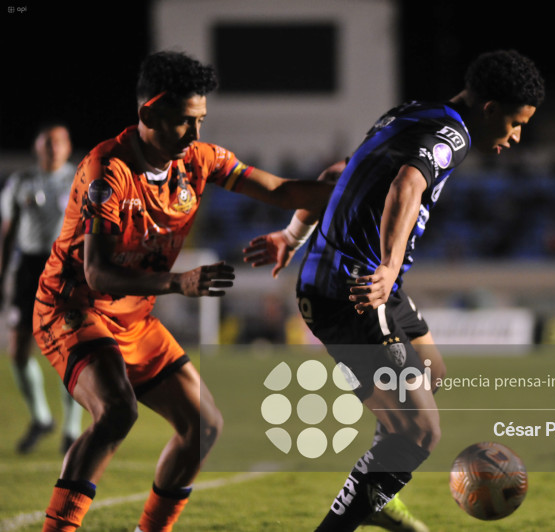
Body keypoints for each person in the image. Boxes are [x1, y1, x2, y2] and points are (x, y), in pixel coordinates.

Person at [244, 49, 545, 532]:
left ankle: (375, 490)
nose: (516, 137)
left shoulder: (412, 113)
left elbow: (337, 176)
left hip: (371, 282)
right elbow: (406, 185)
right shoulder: (452, 135)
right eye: (514, 123)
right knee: (421, 431)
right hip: (354, 289)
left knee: (432, 371)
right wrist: (386, 268)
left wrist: (290, 235)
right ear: (489, 110)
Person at [32, 50, 332, 532]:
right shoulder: (107, 171)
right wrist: (179, 282)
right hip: (71, 308)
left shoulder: (197, 160)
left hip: (132, 316)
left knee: (202, 429)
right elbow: (98, 274)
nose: (195, 135)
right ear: (148, 113)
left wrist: (370, 187)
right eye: (183, 122)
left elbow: (279, 191)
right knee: (116, 412)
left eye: (201, 121)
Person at [0, 123, 84, 455]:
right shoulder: (20, 182)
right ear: (37, 147)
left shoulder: (79, 179)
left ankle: (72, 429)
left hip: (65, 269)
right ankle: (41, 418)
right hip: (28, 270)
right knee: (19, 350)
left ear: (67, 147)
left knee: (71, 349)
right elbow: (8, 234)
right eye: (47, 143)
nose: (52, 148)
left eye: (58, 143)